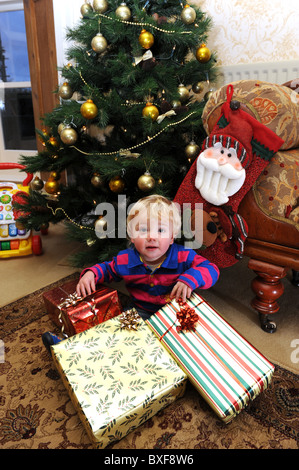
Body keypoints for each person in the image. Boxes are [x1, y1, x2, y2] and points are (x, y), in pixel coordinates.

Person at [76, 194, 219, 320]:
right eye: (143, 230)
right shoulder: (126, 260)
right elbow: (107, 269)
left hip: (176, 309)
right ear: (132, 236)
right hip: (141, 310)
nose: (151, 237)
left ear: (171, 237)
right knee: (123, 331)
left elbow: (211, 269)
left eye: (161, 230)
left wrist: (190, 279)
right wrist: (91, 274)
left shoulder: (183, 256)